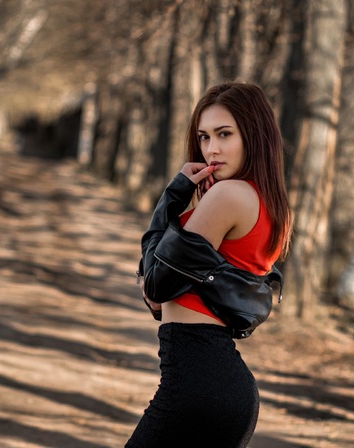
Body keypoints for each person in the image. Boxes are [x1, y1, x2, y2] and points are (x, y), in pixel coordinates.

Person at [126, 81, 293, 448]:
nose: (211, 149)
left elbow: (156, 288)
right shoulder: (266, 201)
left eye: (224, 134)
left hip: (197, 385)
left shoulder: (227, 195)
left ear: (254, 135)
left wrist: (173, 195)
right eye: (203, 137)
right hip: (213, 384)